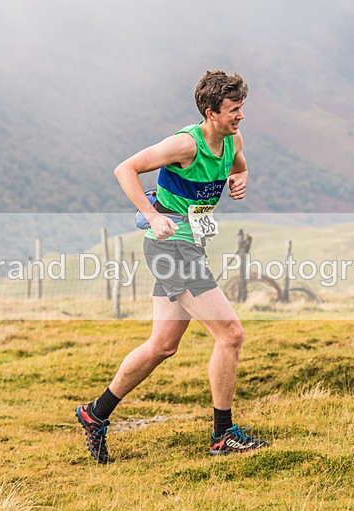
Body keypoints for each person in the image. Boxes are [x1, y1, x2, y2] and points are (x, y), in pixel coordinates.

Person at [76, 70, 269, 463]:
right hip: (171, 249)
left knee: (162, 346)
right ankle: (223, 435)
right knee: (231, 334)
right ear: (211, 112)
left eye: (241, 108)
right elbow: (124, 169)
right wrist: (151, 214)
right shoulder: (184, 145)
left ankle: (94, 414)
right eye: (233, 110)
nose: (241, 116)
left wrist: (241, 179)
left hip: (190, 246)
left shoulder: (232, 140)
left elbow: (239, 165)